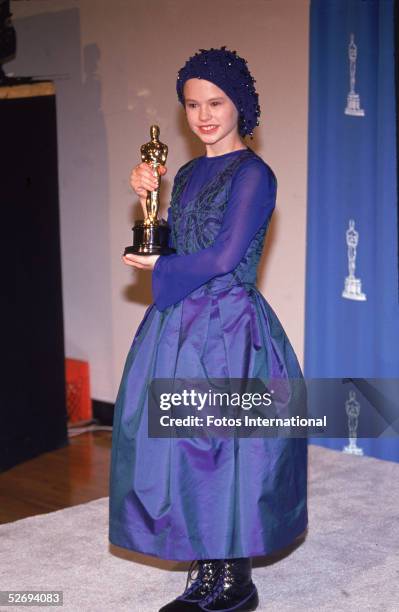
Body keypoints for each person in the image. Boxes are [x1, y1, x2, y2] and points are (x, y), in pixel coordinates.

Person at [108, 46, 308, 612]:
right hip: (180, 326)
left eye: (216, 102)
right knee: (184, 448)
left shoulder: (254, 174)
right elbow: (178, 239)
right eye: (193, 104)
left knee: (225, 448)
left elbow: (223, 257)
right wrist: (148, 205)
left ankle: (234, 580)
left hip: (229, 328)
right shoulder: (191, 171)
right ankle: (206, 566)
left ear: (240, 104)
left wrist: (160, 267)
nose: (204, 115)